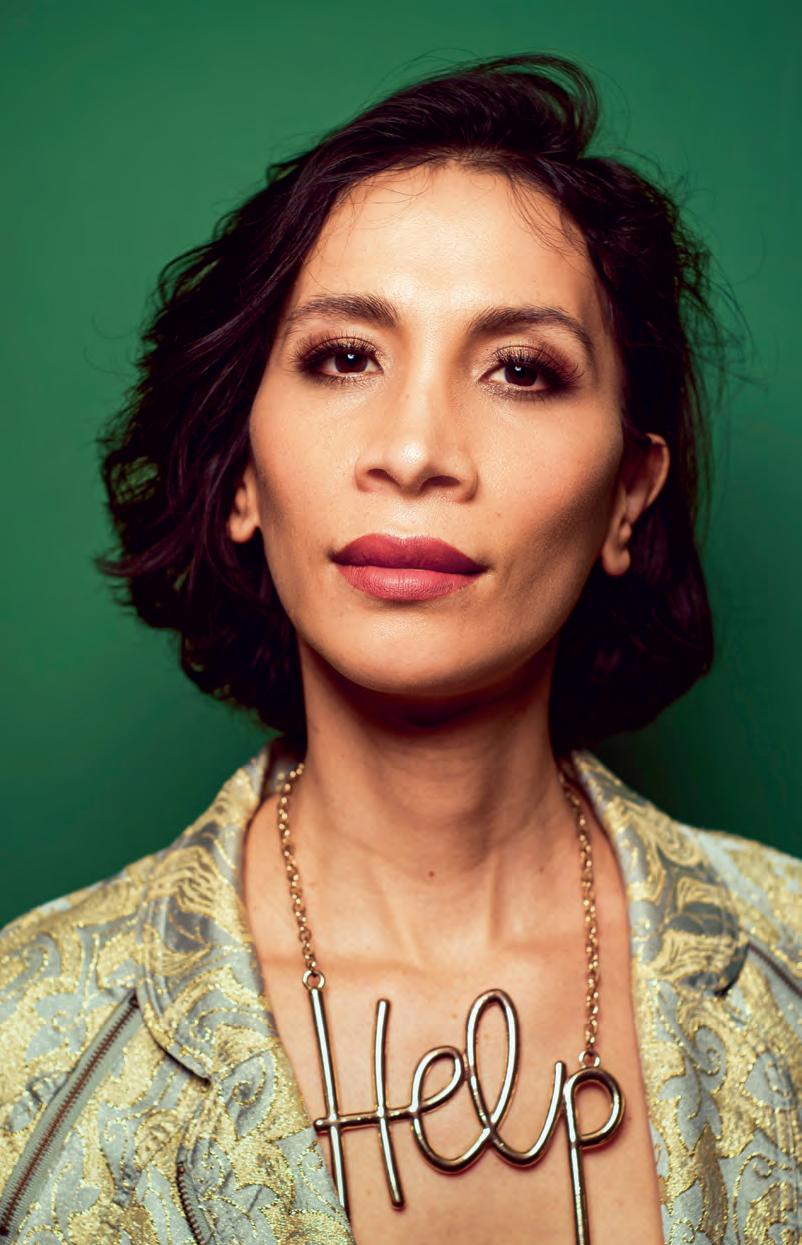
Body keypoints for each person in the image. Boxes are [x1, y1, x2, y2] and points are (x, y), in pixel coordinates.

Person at [0, 51, 798, 1245]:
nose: (416, 451)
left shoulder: (787, 971)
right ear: (239, 471)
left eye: (521, 371)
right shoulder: (28, 1041)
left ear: (628, 495)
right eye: (344, 357)